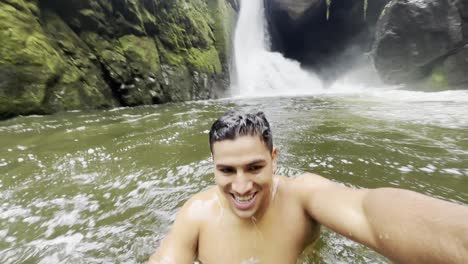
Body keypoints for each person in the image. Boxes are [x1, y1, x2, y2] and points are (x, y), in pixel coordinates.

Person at [149, 111, 468, 264]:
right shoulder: (196, 215)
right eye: (227, 171)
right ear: (213, 165)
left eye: (255, 167)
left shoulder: (303, 196)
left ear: (274, 159)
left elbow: (369, 213)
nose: (242, 186)